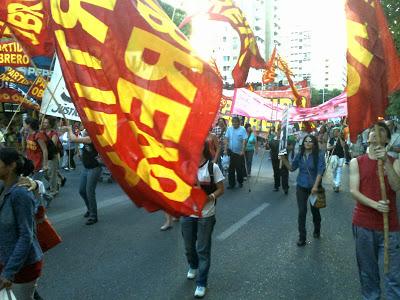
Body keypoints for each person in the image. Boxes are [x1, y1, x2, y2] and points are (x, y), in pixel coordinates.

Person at [349, 122, 400, 299]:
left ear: (387, 139)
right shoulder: (356, 162)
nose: (375, 133)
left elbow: (396, 186)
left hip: (390, 228)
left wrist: (385, 161)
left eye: (381, 131)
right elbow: (353, 191)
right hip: (363, 225)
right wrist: (375, 205)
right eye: (372, 131)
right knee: (368, 273)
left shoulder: (395, 162)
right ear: (367, 137)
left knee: (394, 276)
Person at [181, 141, 224, 298]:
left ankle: (201, 282)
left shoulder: (213, 168)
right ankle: (193, 265)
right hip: (188, 213)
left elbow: (221, 189)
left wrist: (210, 197)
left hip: (206, 214)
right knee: (188, 247)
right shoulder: (186, 167)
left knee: (203, 250)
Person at [0, 148, 44, 299]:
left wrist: (8, 272)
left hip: (23, 267)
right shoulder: (2, 187)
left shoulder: (20, 194)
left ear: (11, 166)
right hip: (6, 259)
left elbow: (26, 236)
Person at [280, 134, 326, 246]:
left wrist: (315, 186)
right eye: (306, 141)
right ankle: (302, 237)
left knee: (315, 211)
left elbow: (320, 171)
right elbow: (292, 168)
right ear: (303, 143)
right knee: (302, 212)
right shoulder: (300, 155)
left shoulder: (319, 155)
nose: (308, 143)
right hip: (301, 186)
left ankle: (317, 229)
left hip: (314, 188)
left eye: (310, 141)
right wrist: (283, 159)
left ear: (314, 143)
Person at [66, 126, 102, 225]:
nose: (84, 131)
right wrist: (80, 153)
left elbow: (73, 139)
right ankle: (90, 209)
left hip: (94, 168)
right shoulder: (86, 139)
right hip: (86, 168)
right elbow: (74, 141)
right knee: (82, 191)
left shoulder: (91, 138)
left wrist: (69, 129)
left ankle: (93, 216)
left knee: (89, 191)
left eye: (86, 130)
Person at [224, 116, 247, 189]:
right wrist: (225, 149)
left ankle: (240, 182)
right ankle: (232, 184)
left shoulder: (242, 129)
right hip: (231, 151)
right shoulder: (229, 129)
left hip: (239, 152)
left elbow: (244, 140)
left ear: (239, 123)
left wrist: (243, 150)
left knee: (239, 168)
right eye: (233, 122)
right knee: (231, 169)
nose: (234, 124)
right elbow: (226, 139)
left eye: (236, 122)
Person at [327, 127, 346, 192]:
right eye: (335, 132)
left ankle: (337, 185)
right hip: (333, 156)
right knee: (334, 171)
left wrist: (340, 138)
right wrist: (333, 146)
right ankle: (335, 183)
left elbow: (343, 146)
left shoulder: (342, 139)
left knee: (339, 170)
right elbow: (328, 148)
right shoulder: (331, 139)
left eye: (337, 132)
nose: (336, 133)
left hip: (341, 156)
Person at [270, 127, 289, 194]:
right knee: (276, 172)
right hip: (275, 158)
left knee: (284, 173)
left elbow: (290, 147)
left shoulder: (285, 140)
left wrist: (287, 146)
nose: (280, 133)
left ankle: (285, 188)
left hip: (283, 159)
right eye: (279, 132)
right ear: (277, 132)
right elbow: (270, 147)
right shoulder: (273, 139)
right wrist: (267, 144)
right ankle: (276, 186)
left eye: (282, 132)